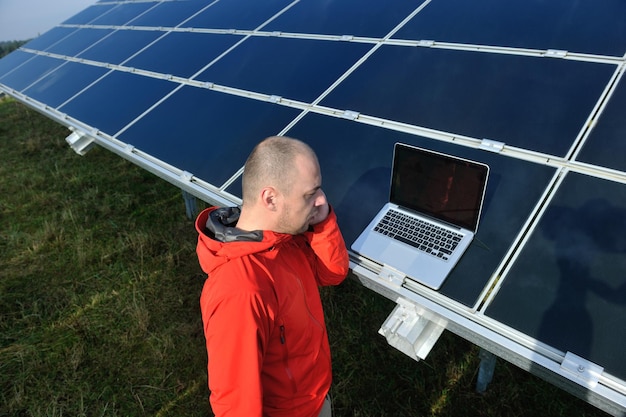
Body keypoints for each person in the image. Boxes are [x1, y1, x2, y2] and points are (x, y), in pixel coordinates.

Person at [194, 136, 349, 417]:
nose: (322, 198)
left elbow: (332, 273)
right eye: (310, 193)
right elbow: (236, 405)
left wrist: (323, 222)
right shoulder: (241, 291)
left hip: (313, 398)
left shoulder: (283, 240)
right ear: (270, 198)